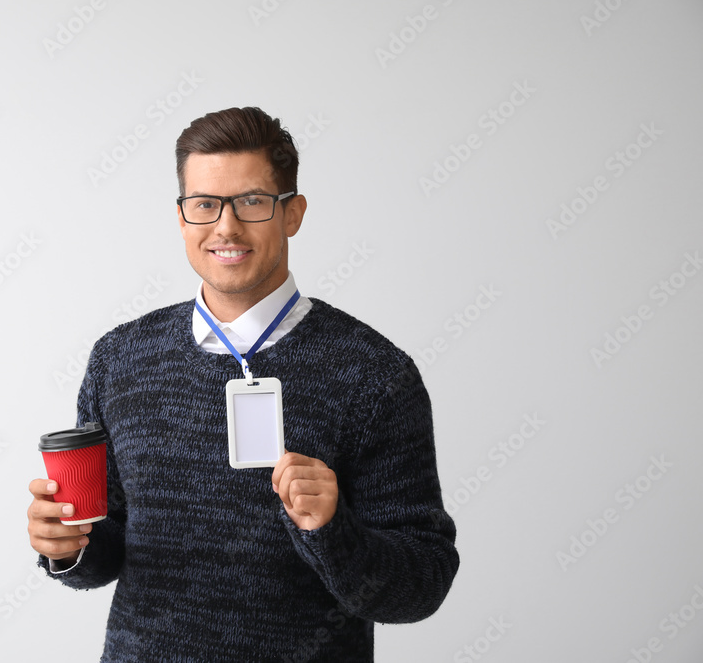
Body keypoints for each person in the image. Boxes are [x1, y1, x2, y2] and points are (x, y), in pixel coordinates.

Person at [28, 106, 459, 661]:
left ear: (293, 213)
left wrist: (333, 529)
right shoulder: (120, 358)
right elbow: (107, 546)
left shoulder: (374, 373)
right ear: (182, 218)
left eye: (252, 202)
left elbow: (423, 585)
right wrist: (68, 547)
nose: (225, 227)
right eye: (204, 204)